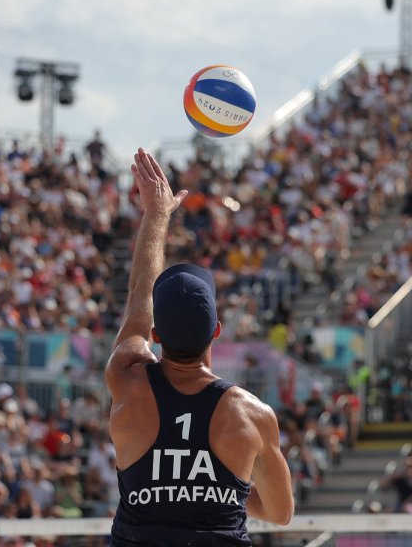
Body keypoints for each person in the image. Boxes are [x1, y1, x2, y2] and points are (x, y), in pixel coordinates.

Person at [106, 149, 293, 546]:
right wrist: (226, 493)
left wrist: (157, 215)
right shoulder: (254, 415)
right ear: (217, 332)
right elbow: (280, 513)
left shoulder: (127, 379)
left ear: (156, 336)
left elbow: (140, 292)